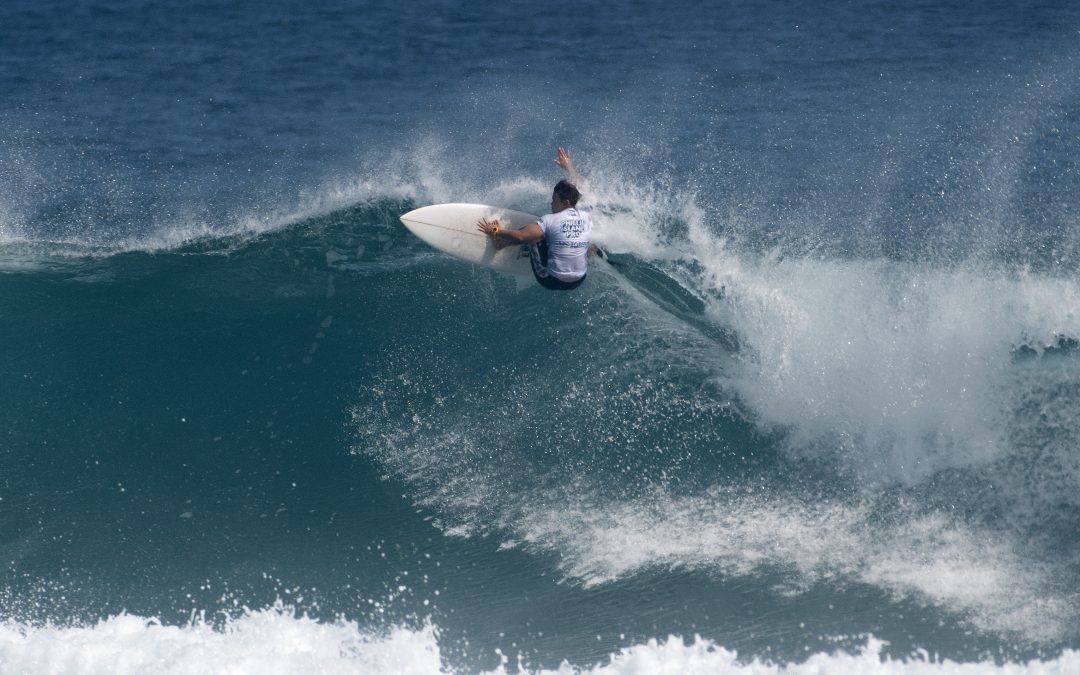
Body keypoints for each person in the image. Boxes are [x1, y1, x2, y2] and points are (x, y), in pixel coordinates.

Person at [477, 148, 594, 290]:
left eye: (554, 200)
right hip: (580, 278)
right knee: (589, 242)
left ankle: (501, 243)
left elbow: (520, 236)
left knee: (533, 236)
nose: (551, 203)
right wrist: (568, 166)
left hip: (553, 280)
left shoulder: (550, 220)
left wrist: (495, 231)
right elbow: (580, 184)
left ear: (566, 203)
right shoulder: (586, 212)